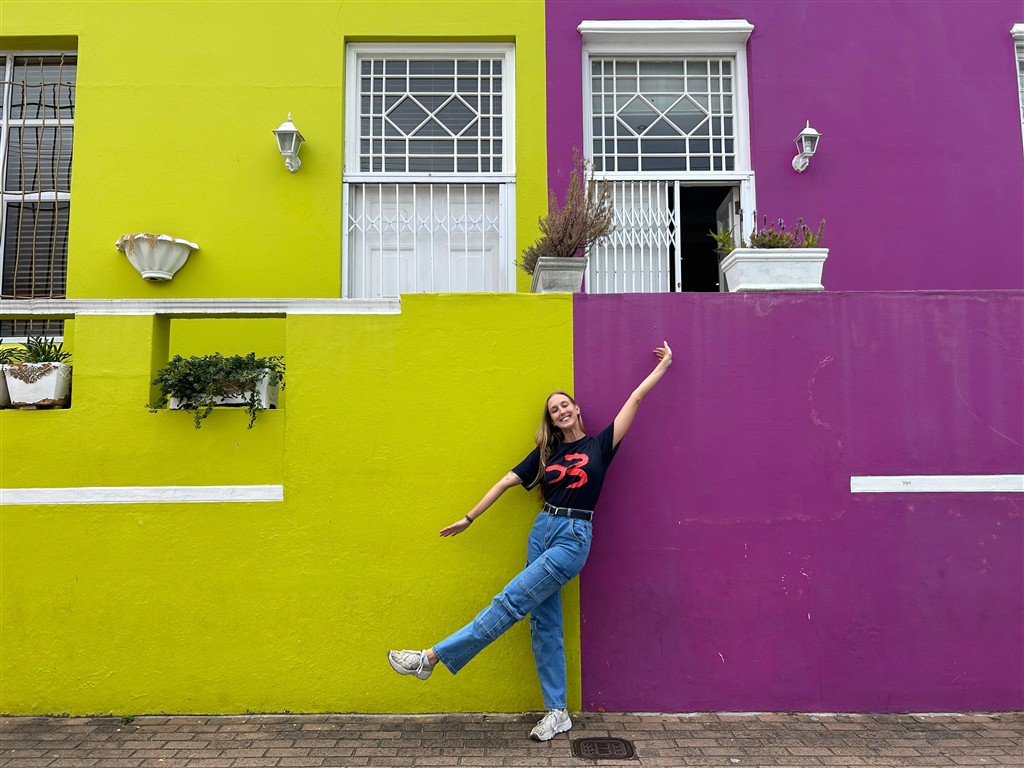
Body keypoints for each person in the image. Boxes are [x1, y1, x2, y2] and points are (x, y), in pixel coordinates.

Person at [388, 341, 673, 741]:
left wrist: (665, 366)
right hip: (542, 531)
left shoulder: (601, 445)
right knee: (544, 623)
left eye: (564, 405)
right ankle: (558, 712)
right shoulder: (546, 453)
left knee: (510, 601)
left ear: (576, 409)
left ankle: (431, 658)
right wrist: (469, 517)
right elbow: (507, 481)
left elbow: (635, 399)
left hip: (572, 538)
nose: (560, 411)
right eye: (554, 409)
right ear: (552, 420)